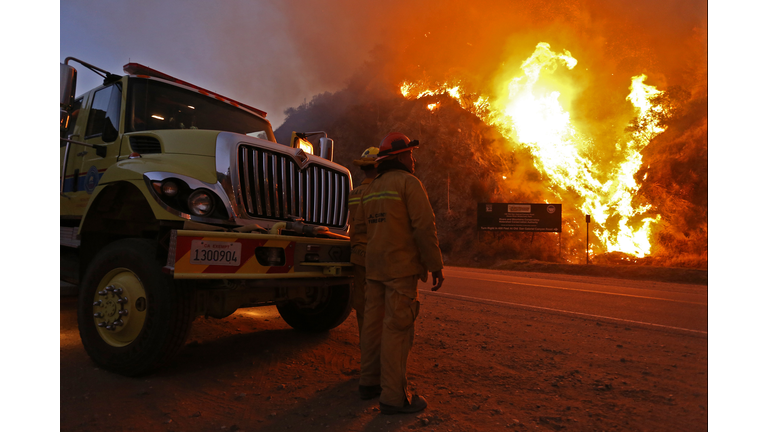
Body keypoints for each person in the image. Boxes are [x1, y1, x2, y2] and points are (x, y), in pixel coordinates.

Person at [354, 132, 445, 414]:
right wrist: (435, 264)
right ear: (399, 157)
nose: (413, 159)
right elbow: (423, 227)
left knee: (372, 325)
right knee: (397, 328)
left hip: (375, 267)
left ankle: (369, 383)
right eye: (410, 154)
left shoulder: (372, 188)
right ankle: (394, 397)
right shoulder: (408, 183)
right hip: (399, 268)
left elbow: (361, 230)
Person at [347, 147, 380, 340]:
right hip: (376, 255)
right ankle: (377, 347)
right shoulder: (378, 192)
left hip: (357, 254)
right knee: (378, 304)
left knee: (361, 303)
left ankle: (365, 344)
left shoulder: (354, 193)